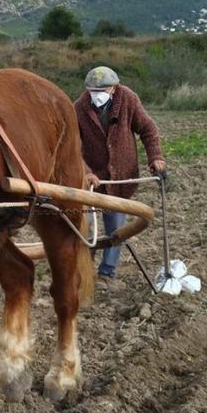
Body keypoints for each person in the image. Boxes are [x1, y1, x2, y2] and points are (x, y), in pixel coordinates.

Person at [73, 66, 166, 290]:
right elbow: (73, 146)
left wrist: (155, 157)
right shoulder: (79, 108)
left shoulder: (128, 99)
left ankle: (107, 273)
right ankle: (83, 272)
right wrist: (85, 171)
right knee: (87, 227)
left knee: (116, 227)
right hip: (93, 180)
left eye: (102, 90)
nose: (97, 95)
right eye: (92, 91)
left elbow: (148, 129)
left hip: (121, 176)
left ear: (114, 88)